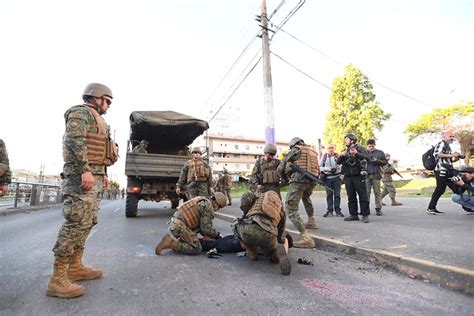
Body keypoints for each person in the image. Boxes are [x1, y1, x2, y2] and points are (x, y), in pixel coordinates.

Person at [47, 83, 118, 299]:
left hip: (94, 177)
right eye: (107, 100)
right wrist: (85, 171)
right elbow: (74, 141)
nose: (108, 105)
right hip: (81, 178)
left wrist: (102, 173)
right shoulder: (80, 112)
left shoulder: (100, 120)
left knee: (87, 222)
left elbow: (100, 149)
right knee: (75, 223)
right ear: (95, 97)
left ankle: (75, 267)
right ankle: (57, 279)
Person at [232, 191, 291, 275]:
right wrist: (278, 242)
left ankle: (251, 251)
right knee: (271, 254)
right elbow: (281, 230)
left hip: (250, 226)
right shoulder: (280, 208)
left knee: (234, 224)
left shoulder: (259, 196)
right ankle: (277, 254)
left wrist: (245, 213)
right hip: (269, 233)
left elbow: (246, 198)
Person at [154, 192, 228, 255]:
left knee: (195, 239)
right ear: (215, 202)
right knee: (197, 248)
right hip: (180, 227)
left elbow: (202, 227)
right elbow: (206, 229)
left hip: (176, 223)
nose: (217, 209)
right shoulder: (208, 207)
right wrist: (217, 235)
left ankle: (179, 242)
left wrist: (207, 235)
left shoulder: (202, 199)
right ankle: (171, 243)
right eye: (219, 207)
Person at [277, 137, 318, 248]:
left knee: (291, 208)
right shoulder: (313, 151)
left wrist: (285, 178)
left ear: (293, 145)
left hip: (299, 180)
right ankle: (311, 220)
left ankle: (306, 238)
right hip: (312, 180)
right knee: (306, 197)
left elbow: (281, 168)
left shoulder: (295, 150)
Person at [337, 133, 371, 223]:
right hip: (348, 176)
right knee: (351, 196)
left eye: (347, 139)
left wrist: (357, 154)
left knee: (363, 195)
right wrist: (341, 156)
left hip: (359, 175)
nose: (345, 141)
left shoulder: (361, 148)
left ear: (352, 140)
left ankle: (365, 215)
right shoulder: (344, 150)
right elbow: (338, 162)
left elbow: (367, 158)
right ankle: (353, 214)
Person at [427, 131, 462, 215]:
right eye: (450, 136)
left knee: (456, 188)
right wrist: (452, 155)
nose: (452, 138)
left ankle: (468, 206)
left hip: (448, 170)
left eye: (453, 136)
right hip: (440, 170)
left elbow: (448, 159)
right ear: (444, 137)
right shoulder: (441, 143)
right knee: (440, 189)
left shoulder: (447, 146)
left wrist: (456, 157)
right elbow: (438, 154)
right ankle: (431, 208)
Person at [320, 144, 343, 217]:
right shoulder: (324, 157)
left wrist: (342, 175)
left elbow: (343, 166)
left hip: (337, 178)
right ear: (327, 149)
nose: (331, 149)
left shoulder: (338, 157)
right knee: (329, 195)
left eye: (332, 148)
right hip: (328, 178)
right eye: (329, 148)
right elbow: (320, 167)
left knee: (337, 195)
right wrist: (327, 169)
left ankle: (338, 211)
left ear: (334, 148)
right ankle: (329, 211)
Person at [365, 139, 387, 216]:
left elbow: (384, 162)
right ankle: (365, 209)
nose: (371, 148)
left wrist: (377, 160)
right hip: (366, 175)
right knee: (366, 193)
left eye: (372, 146)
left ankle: (378, 209)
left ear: (375, 145)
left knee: (377, 193)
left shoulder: (380, 153)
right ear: (367, 146)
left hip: (376, 175)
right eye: (369, 146)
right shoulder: (364, 152)